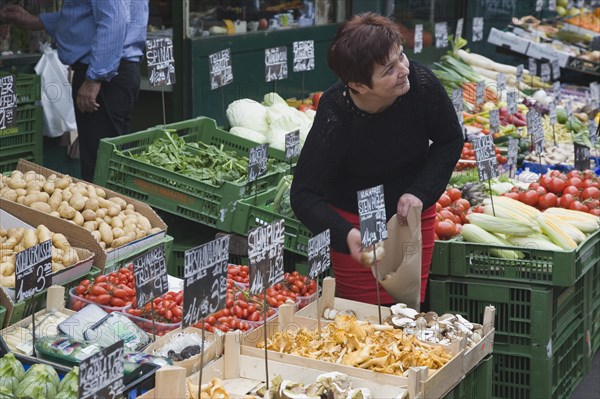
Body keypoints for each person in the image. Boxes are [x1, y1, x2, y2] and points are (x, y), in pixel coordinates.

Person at [290, 13, 463, 308]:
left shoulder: (421, 85)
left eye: (402, 58)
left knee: (407, 310)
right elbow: (304, 195)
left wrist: (419, 191)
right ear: (358, 85)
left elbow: (450, 140)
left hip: (410, 217)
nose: (403, 70)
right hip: (355, 224)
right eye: (389, 70)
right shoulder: (335, 112)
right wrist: (346, 235)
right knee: (360, 319)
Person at [0, 1, 149, 182]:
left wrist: (95, 79)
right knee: (108, 163)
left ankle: (107, 208)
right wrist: (35, 21)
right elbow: (83, 18)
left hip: (106, 74)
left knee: (101, 167)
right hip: (110, 70)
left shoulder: (99, 74)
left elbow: (114, 20)